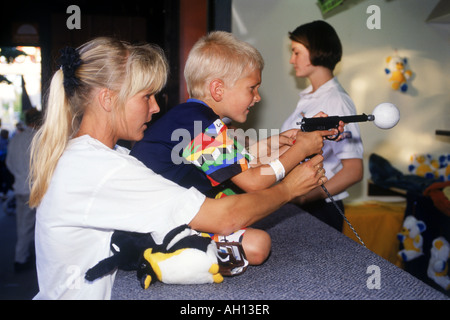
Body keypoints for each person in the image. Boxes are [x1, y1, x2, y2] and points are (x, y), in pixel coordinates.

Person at [29, 37, 327, 300]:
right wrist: (289, 187)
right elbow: (226, 216)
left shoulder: (99, 158)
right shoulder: (103, 169)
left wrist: (274, 147)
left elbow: (231, 162)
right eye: (146, 96)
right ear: (108, 99)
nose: (156, 107)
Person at [130, 31, 338, 270]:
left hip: (167, 216)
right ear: (218, 89)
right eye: (252, 88)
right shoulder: (197, 123)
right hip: (153, 227)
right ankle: (171, 258)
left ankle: (180, 256)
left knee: (255, 238)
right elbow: (252, 181)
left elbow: (240, 163)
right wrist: (300, 150)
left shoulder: (192, 117)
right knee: (258, 246)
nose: (257, 97)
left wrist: (283, 142)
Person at [281, 20, 364, 231]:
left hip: (320, 208)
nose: (292, 60)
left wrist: (305, 197)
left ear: (316, 50)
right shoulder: (311, 98)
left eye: (296, 52)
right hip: (300, 201)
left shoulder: (337, 100)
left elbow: (354, 170)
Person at [6, 108, 42, 272]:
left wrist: (19, 176)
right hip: (35, 189)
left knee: (23, 225)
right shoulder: (38, 139)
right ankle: (23, 259)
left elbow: (9, 163)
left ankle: (22, 257)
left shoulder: (16, 138)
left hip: (20, 187)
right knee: (36, 226)